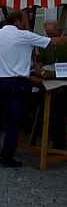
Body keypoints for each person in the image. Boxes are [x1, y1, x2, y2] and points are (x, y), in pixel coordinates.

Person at [0, 11, 67, 167]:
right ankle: (6, 158)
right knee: (15, 120)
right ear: (18, 21)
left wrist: (0, 63)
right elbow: (53, 42)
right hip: (18, 82)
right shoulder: (25, 35)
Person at [37, 20, 67, 150]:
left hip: (64, 82)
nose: (51, 38)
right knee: (54, 113)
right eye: (48, 34)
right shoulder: (45, 44)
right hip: (51, 84)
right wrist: (41, 70)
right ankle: (58, 143)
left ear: (60, 31)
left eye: (53, 34)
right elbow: (42, 61)